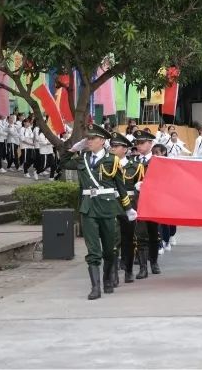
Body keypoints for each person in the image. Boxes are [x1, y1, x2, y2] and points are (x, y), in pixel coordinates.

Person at [60, 123, 136, 300]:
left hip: (108, 208)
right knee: (93, 250)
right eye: (88, 138)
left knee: (109, 250)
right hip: (88, 208)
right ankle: (95, 287)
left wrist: (128, 208)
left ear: (102, 141)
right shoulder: (83, 158)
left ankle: (108, 278)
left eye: (92, 139)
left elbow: (120, 187)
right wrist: (72, 149)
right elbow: (63, 163)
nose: (89, 141)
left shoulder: (112, 160)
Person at [109, 132, 138, 284]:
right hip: (111, 204)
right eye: (111, 146)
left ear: (125, 149)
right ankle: (113, 273)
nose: (112, 148)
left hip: (129, 206)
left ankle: (128, 270)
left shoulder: (135, 166)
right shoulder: (106, 163)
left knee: (128, 239)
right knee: (113, 239)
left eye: (116, 146)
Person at [133, 130, 162, 278]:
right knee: (141, 234)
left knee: (154, 234)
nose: (138, 146)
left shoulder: (158, 161)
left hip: (153, 202)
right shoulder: (133, 161)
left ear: (150, 144)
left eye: (141, 143)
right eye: (137, 143)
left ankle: (154, 262)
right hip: (138, 202)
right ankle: (143, 267)